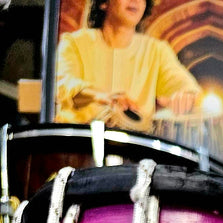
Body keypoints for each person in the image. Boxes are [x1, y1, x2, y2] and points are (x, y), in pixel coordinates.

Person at [55, 0, 200, 130]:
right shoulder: (74, 43)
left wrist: (186, 96)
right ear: (104, 3)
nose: (135, 1)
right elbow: (63, 84)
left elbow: (186, 87)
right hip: (79, 141)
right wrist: (101, 96)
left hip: (134, 148)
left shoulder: (156, 50)